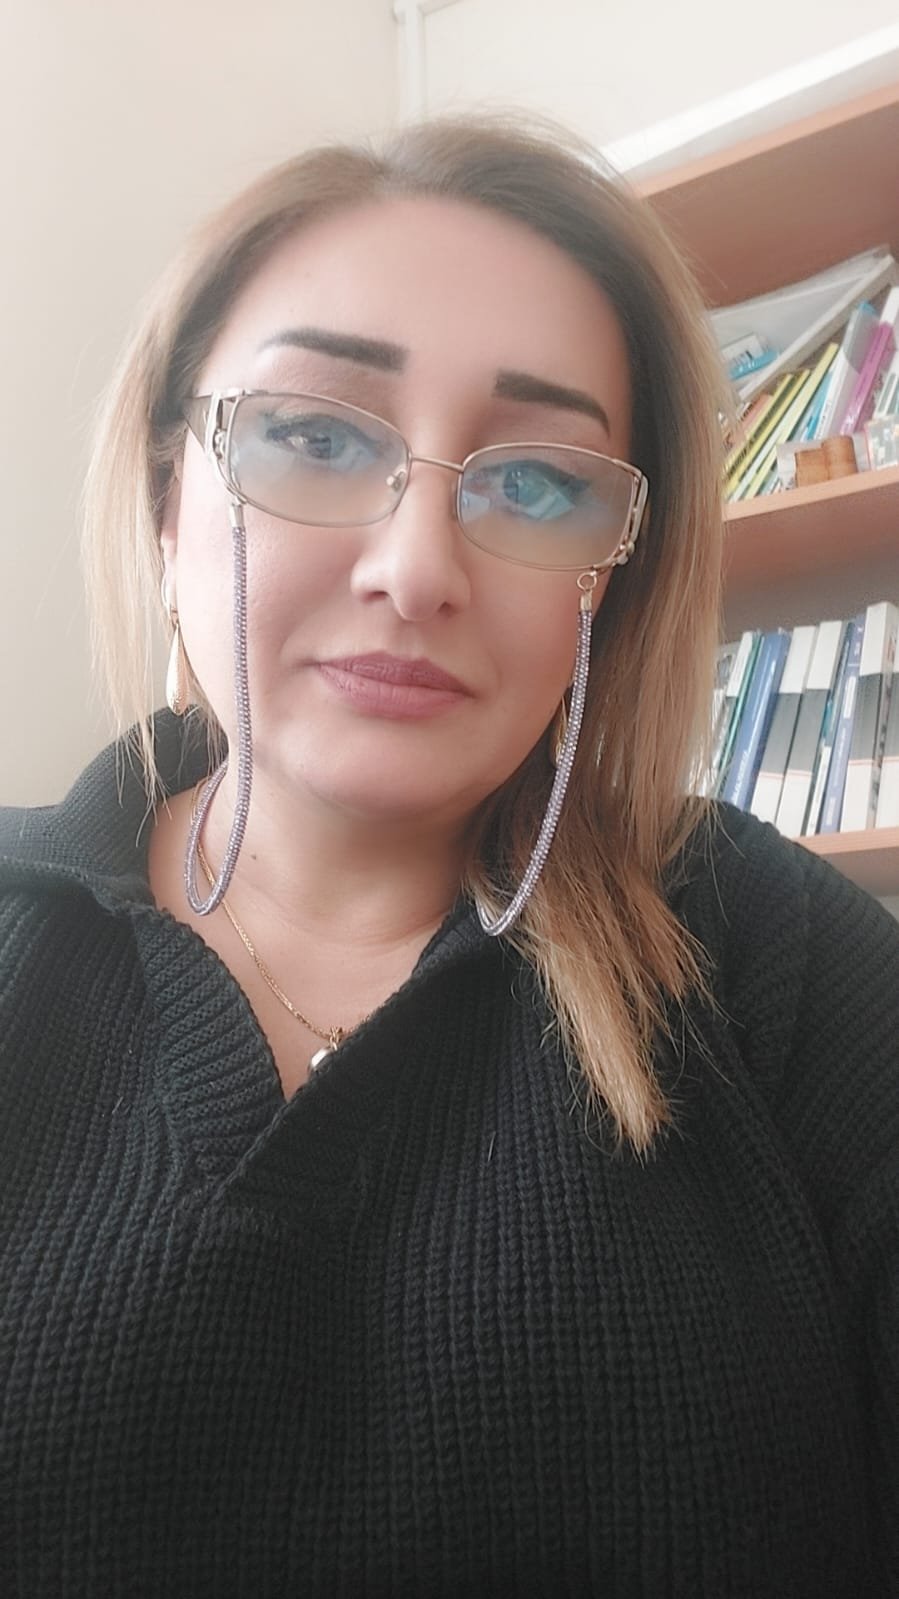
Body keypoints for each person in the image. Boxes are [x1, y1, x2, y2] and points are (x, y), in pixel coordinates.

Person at [0, 110, 896, 1599]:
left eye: (537, 483)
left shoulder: (774, 960)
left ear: (609, 581)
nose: (417, 569)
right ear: (167, 501)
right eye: (314, 437)